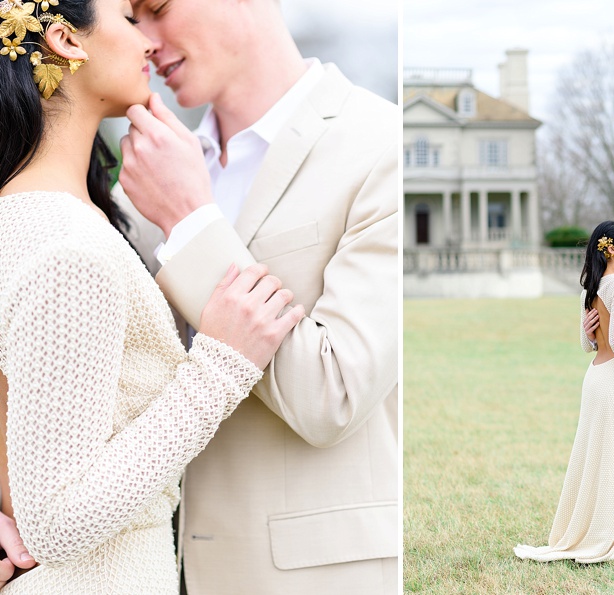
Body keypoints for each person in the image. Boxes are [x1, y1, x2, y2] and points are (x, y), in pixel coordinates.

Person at [0, 0, 304, 592]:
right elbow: (56, 521)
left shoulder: (23, 221)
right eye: (129, 18)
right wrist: (220, 365)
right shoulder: (71, 251)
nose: (148, 44)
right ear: (66, 40)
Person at [94, 1, 397, 593]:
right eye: (131, 22)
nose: (145, 41)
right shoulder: (141, 181)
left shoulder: (383, 145)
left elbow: (333, 395)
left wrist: (190, 222)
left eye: (155, 8)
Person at [514, 221, 614, 564]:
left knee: (595, 456)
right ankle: (606, 538)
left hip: (595, 376)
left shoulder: (589, 289)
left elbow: (585, 344)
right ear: (611, 249)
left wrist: (590, 332)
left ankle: (590, 530)